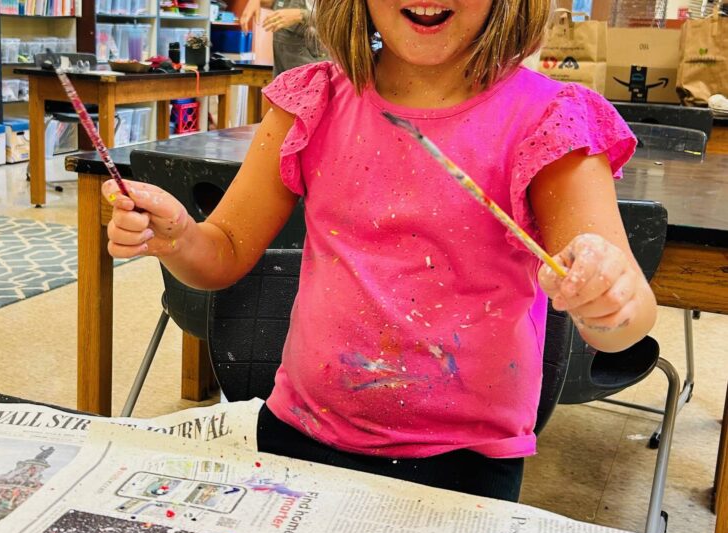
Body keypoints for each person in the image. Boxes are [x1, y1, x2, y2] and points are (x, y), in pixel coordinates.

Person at [102, 0, 657, 502]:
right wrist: (177, 238)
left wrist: (610, 301)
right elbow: (221, 254)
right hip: (299, 431)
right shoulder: (312, 101)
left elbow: (624, 323)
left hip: (467, 461)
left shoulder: (551, 120)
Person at [239, 0, 325, 77]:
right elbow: (278, 3)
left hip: (314, 75)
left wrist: (301, 15)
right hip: (283, 75)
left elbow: (334, 20)